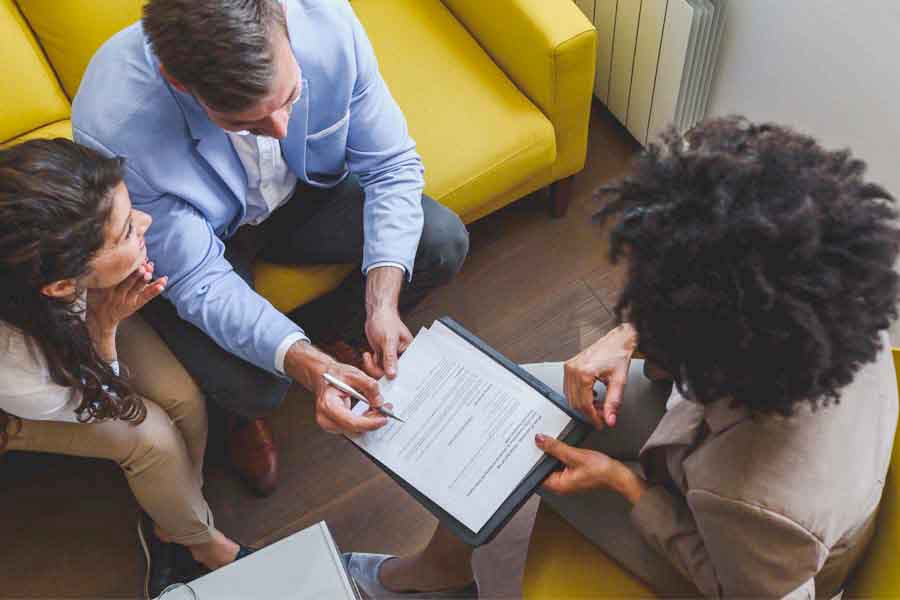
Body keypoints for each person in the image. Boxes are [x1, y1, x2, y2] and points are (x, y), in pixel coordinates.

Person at [346, 118, 900, 598]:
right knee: (522, 412)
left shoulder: (756, 499)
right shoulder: (829, 303)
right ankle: (441, 573)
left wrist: (624, 483)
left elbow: (733, 586)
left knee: (521, 456)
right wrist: (633, 334)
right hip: (722, 445)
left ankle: (435, 579)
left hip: (738, 558)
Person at [72, 0, 470, 496]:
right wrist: (305, 365)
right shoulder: (115, 123)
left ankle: (335, 331)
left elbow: (390, 166)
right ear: (180, 83)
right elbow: (198, 278)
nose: (281, 128)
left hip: (306, 193)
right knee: (256, 388)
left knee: (441, 241)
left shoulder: (327, 23)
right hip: (206, 236)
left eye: (291, 96)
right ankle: (242, 414)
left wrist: (381, 303)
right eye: (250, 124)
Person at [0, 139, 250, 599]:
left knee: (182, 399)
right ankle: (205, 544)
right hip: (23, 401)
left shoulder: (45, 226)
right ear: (59, 284)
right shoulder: (12, 363)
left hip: (71, 320)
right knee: (150, 438)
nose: (146, 224)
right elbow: (89, 406)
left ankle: (174, 521)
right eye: (127, 233)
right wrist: (105, 329)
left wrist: (101, 314)